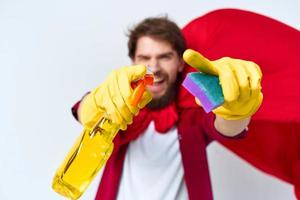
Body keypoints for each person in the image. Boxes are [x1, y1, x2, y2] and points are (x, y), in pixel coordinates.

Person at [72, 16, 263, 200]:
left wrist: (236, 111)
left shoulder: (194, 109)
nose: (153, 67)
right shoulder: (119, 107)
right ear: (133, 62)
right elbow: (85, 113)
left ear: (180, 63)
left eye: (164, 57)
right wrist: (95, 104)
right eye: (144, 57)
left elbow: (226, 127)